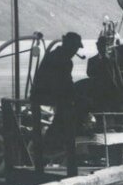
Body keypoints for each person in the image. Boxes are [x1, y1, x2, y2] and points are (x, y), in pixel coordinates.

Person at [29, 31, 85, 175]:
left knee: (70, 106)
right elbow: (64, 84)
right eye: (75, 48)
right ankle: (54, 144)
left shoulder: (55, 55)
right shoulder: (63, 60)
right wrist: (77, 97)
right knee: (71, 108)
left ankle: (54, 143)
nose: (75, 51)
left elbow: (65, 83)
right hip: (45, 95)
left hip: (43, 93)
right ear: (70, 46)